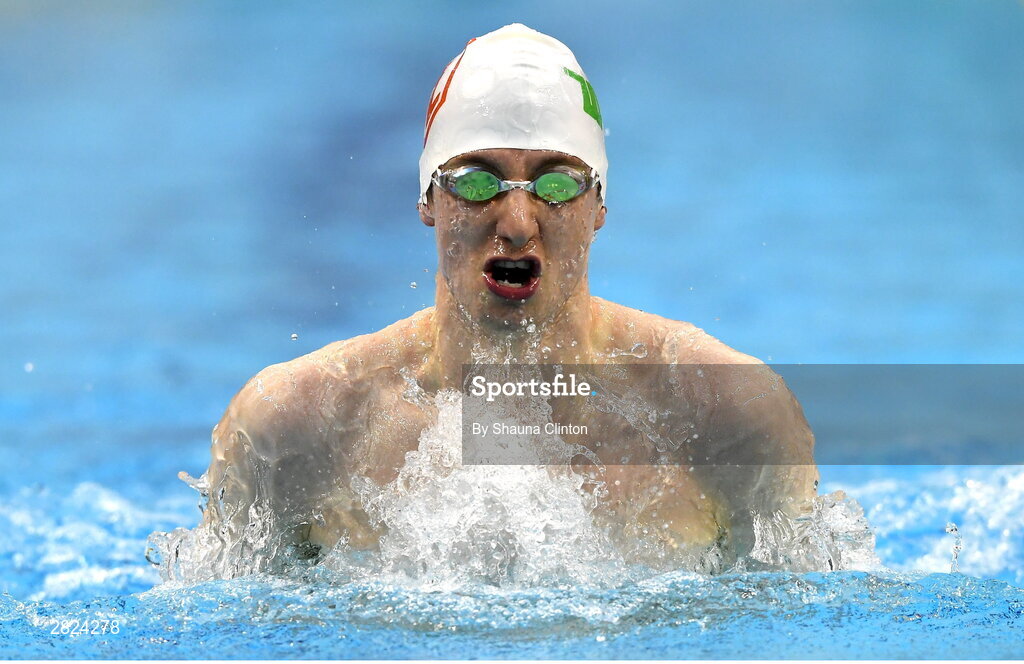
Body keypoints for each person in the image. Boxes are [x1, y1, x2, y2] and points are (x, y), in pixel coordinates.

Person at [197, 24, 817, 574]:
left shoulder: (729, 418)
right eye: (475, 180)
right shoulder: (295, 428)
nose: (518, 221)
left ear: (599, 206)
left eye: (556, 182)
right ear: (427, 200)